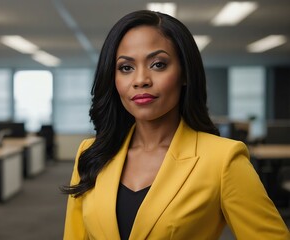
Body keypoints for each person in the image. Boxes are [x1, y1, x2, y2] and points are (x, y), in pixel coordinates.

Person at [62, 10, 289, 240]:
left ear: (184, 74)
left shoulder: (223, 160)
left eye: (158, 64)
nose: (140, 80)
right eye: (126, 68)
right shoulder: (91, 154)